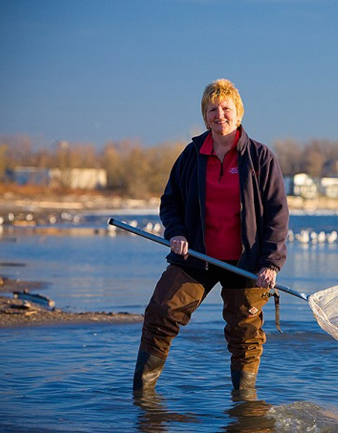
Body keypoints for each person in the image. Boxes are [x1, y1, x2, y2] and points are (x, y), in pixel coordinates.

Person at [133, 78, 289, 393]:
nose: (220, 115)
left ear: (239, 113)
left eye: (226, 108)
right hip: (196, 257)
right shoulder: (191, 155)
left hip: (246, 263)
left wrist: (270, 263)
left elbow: (277, 213)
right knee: (161, 313)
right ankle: (143, 398)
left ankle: (244, 407)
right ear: (205, 116)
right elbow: (171, 202)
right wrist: (177, 233)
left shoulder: (259, 157)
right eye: (212, 110)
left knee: (245, 335)